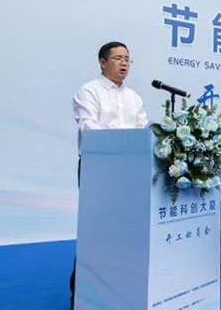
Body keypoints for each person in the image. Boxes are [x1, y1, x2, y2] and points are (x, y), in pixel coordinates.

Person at [70, 41, 149, 308]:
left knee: (125, 231)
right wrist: (125, 143)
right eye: (118, 58)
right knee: (96, 232)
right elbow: (89, 128)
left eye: (127, 59)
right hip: (98, 169)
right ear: (103, 62)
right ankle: (81, 293)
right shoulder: (88, 91)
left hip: (131, 171)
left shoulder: (134, 97)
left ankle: (118, 288)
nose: (124, 63)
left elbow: (143, 130)